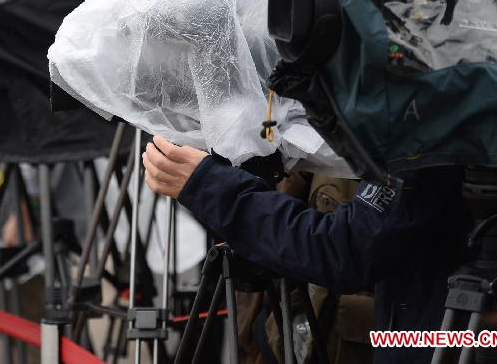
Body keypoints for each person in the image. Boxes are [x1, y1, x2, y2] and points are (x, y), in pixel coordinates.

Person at [142, 136, 470, 364]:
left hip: (447, 338)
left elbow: (344, 250)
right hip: (436, 328)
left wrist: (210, 187)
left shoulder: (433, 120)